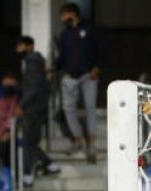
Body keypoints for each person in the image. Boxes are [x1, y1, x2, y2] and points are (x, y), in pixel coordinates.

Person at [54, 3, 104, 161]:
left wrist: (98, 67)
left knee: (90, 108)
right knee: (68, 108)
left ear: (72, 14)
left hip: (88, 75)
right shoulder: (65, 34)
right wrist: (53, 68)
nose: (62, 18)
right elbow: (61, 58)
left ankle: (92, 144)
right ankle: (77, 139)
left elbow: (101, 50)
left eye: (63, 15)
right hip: (70, 76)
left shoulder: (89, 29)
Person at [17, 36, 60, 187]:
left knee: (28, 142)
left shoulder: (32, 62)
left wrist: (22, 104)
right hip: (37, 107)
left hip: (33, 108)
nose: (18, 50)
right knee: (31, 141)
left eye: (20, 46)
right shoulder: (34, 62)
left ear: (29, 46)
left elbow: (34, 88)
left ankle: (28, 174)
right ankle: (49, 165)